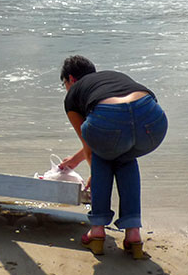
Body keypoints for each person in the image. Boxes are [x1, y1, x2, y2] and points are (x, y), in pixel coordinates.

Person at [57, 55, 167, 259]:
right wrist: (75, 160)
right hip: (152, 118)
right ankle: (133, 233)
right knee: (125, 157)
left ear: (71, 79)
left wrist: (94, 173)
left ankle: (97, 229)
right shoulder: (109, 80)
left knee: (101, 157)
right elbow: (121, 126)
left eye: (64, 83)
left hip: (112, 117)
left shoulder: (73, 96)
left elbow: (90, 143)